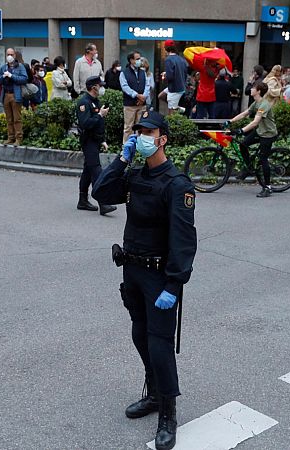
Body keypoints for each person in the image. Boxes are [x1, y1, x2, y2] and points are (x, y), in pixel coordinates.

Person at [91, 109, 196, 450]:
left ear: (163, 139)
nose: (143, 137)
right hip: (132, 271)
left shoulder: (177, 184)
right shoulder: (135, 175)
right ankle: (152, 394)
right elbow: (102, 193)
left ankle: (168, 412)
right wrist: (121, 160)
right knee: (140, 334)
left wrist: (174, 284)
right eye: (139, 132)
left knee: (159, 344)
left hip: (158, 277)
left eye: (149, 133)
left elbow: (183, 240)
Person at [227, 80, 278, 198]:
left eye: (253, 88)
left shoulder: (264, 104)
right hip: (260, 131)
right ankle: (248, 168)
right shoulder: (256, 103)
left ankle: (268, 187)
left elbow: (255, 122)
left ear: (258, 91)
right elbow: (244, 114)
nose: (250, 89)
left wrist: (241, 130)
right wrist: (230, 121)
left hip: (268, 134)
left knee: (263, 159)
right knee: (243, 144)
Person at [75, 76, 117, 216]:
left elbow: (99, 125)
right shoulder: (84, 102)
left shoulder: (95, 101)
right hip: (88, 141)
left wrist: (102, 140)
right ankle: (103, 203)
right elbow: (85, 123)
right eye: (100, 85)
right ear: (94, 87)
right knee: (96, 171)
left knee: (88, 170)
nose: (102, 88)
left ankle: (82, 200)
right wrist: (100, 115)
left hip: (95, 140)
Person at [0, 48, 29, 145]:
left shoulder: (20, 67)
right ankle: (10, 137)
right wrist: (3, 77)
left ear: (15, 55)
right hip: (6, 94)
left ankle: (18, 138)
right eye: (8, 54)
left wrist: (12, 76)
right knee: (9, 118)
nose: (9, 56)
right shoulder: (3, 68)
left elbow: (24, 79)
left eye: (11, 54)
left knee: (17, 118)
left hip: (16, 95)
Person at [120, 51, 149, 143]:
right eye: (137, 59)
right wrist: (136, 95)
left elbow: (147, 85)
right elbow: (125, 87)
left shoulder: (143, 72)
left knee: (141, 126)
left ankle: (139, 146)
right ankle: (127, 147)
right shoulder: (124, 73)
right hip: (130, 105)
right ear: (131, 60)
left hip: (142, 105)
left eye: (140, 58)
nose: (139, 61)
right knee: (128, 127)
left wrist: (143, 96)